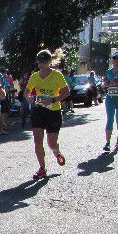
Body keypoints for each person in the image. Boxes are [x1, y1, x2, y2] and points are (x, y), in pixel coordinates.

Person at [26, 49, 70, 179]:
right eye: (39, 61)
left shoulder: (57, 75)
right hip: (39, 111)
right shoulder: (34, 76)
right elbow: (26, 92)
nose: (41, 64)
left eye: (44, 61)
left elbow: (66, 92)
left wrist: (53, 99)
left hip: (53, 112)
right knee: (37, 141)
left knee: (51, 143)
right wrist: (29, 98)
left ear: (50, 62)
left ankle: (56, 152)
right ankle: (42, 168)